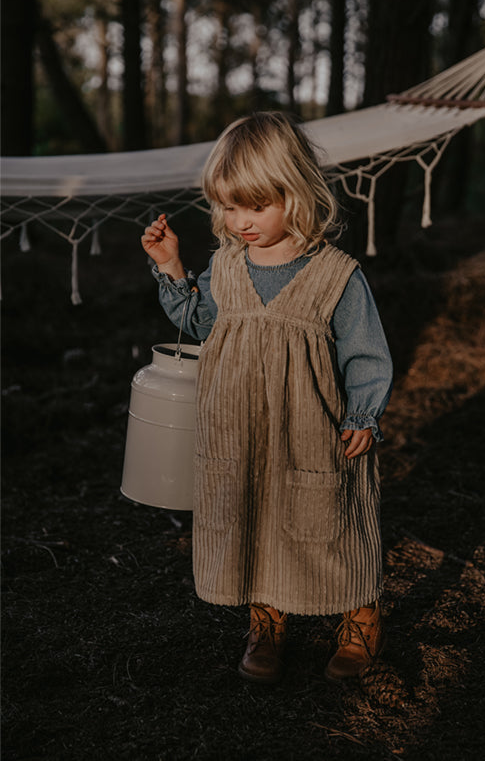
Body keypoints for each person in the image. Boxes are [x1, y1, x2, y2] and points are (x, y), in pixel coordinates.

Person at [141, 111, 393, 685]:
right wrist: (172, 268)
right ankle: (267, 619)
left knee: (328, 519)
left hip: (312, 425)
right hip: (240, 427)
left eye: (256, 206)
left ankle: (359, 614)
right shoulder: (226, 266)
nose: (241, 221)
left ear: (296, 194)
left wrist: (364, 414)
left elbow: (366, 353)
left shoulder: (336, 275)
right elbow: (201, 323)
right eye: (229, 207)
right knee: (253, 514)